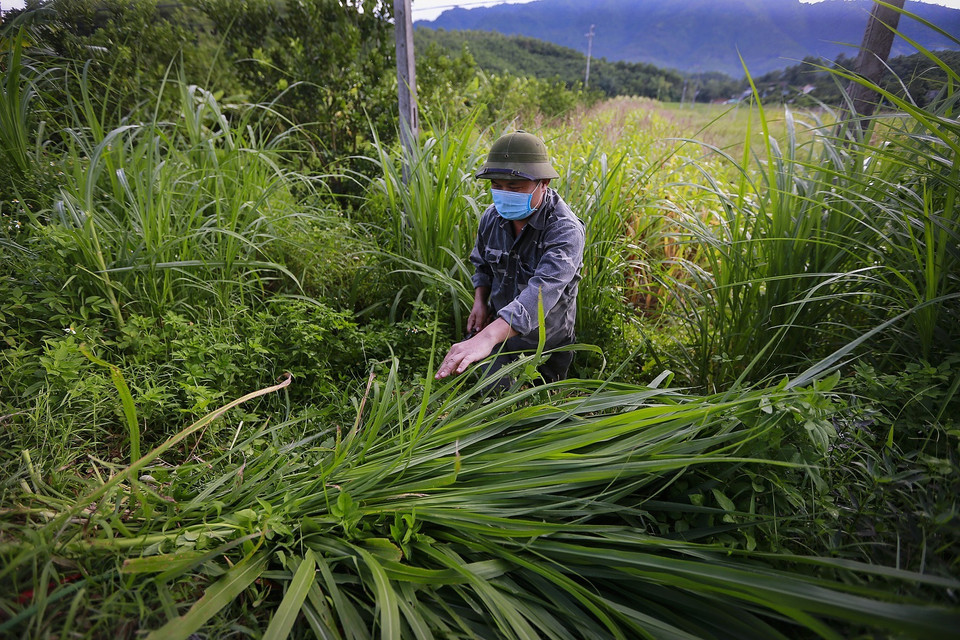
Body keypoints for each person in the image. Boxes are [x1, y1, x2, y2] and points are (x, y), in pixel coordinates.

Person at [435, 131, 585, 384]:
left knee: (536, 412)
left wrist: (485, 338)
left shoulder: (564, 230)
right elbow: (482, 264)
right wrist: (480, 302)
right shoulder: (492, 218)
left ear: (544, 182)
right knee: (482, 392)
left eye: (514, 187)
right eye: (497, 186)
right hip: (498, 338)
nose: (504, 194)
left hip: (545, 346)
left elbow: (541, 293)